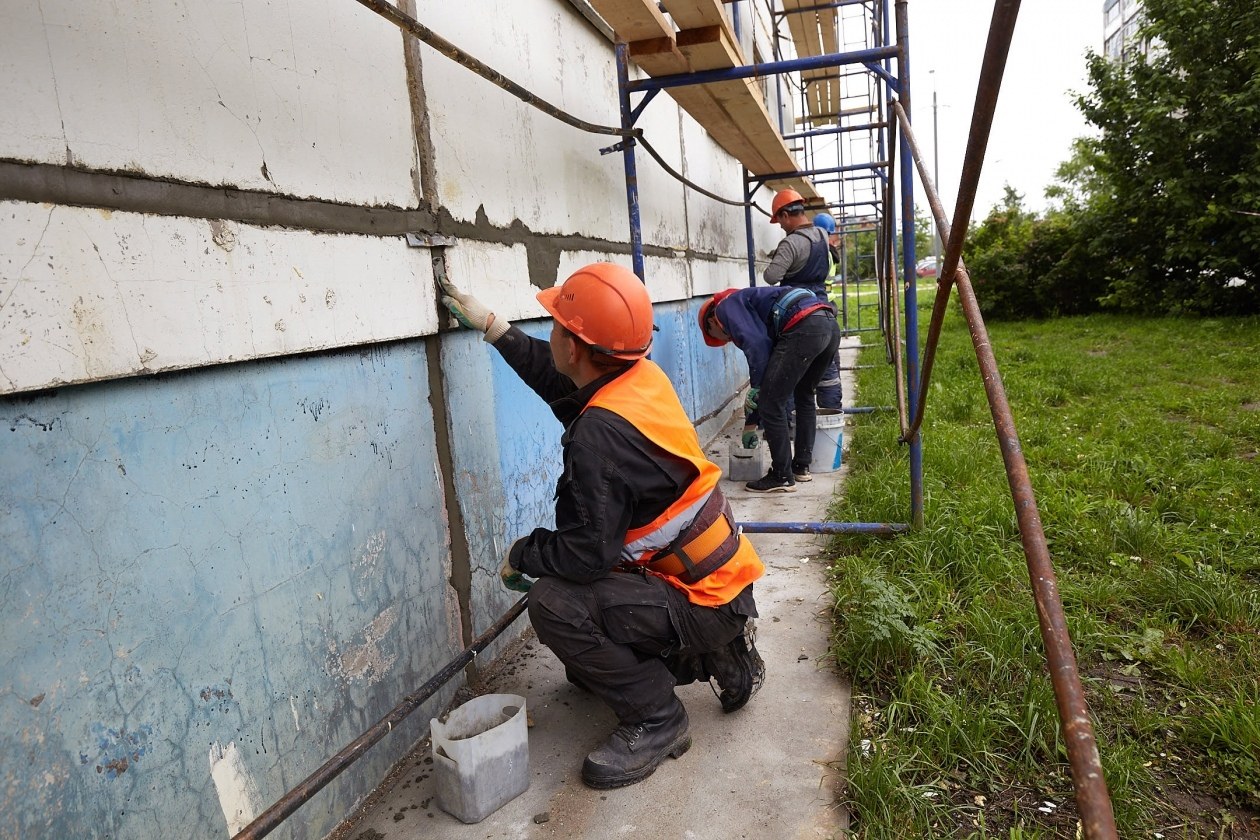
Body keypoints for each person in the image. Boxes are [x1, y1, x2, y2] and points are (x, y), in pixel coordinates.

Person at [439, 263, 766, 791]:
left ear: (576, 347)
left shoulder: (597, 437)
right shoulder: (637, 379)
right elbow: (558, 381)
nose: (552, 335)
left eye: (558, 327)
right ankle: (718, 651)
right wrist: (494, 326)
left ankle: (658, 716)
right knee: (583, 665)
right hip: (722, 584)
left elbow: (586, 555)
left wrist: (526, 554)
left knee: (554, 604)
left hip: (699, 600)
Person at [698, 285, 841, 491]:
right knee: (804, 394)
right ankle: (801, 466)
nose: (728, 339)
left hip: (805, 327)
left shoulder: (725, 307)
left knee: (771, 403)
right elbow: (766, 362)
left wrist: (757, 389)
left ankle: (782, 475)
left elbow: (757, 347)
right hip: (827, 324)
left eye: (721, 337)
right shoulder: (751, 305)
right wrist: (750, 425)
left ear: (712, 321)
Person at [765, 191, 843, 413]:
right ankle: (831, 417)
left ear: (786, 214)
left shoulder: (790, 243)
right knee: (826, 370)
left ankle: (789, 423)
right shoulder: (820, 234)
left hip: (798, 315)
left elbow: (771, 277)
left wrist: (779, 258)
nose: (780, 226)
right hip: (824, 310)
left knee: (788, 372)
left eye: (779, 220)